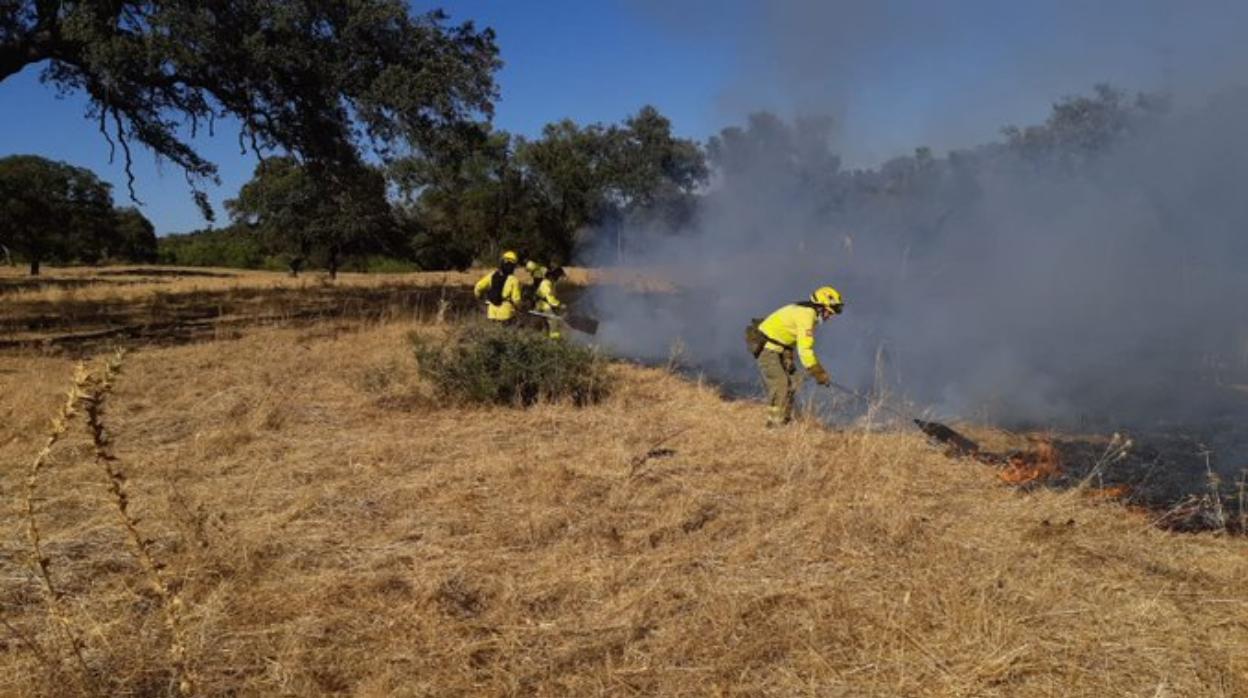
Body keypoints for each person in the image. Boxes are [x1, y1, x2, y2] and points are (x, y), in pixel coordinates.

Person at [751, 286, 843, 427]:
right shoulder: (806, 316)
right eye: (829, 313)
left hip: (780, 350)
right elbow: (805, 350)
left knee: (794, 382)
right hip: (767, 349)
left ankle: (784, 420)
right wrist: (818, 373)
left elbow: (789, 335)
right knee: (781, 383)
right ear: (820, 307)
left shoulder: (806, 312)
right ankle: (774, 425)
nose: (829, 317)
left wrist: (788, 357)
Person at [473, 250, 523, 323]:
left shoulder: (492, 275)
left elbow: (478, 286)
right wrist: (520, 308)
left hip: (491, 314)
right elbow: (516, 299)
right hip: (506, 315)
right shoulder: (514, 280)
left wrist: (479, 297)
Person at [535, 266, 567, 339]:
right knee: (553, 320)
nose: (558, 278)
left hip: (545, 305)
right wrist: (560, 305)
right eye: (558, 276)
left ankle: (547, 337)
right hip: (542, 306)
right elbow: (550, 299)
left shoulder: (550, 283)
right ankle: (554, 338)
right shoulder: (546, 283)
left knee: (551, 322)